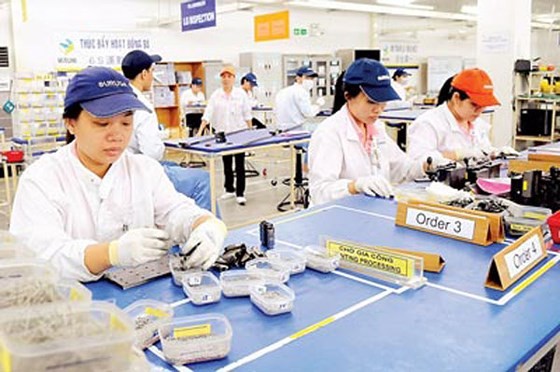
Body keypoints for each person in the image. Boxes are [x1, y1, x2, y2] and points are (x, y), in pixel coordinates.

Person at [9, 66, 227, 281]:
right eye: (102, 123)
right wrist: (111, 254)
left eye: (126, 122)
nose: (117, 135)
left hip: (140, 299)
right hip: (69, 304)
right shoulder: (42, 179)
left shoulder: (144, 169)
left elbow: (175, 212)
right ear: (70, 124)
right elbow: (41, 256)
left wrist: (207, 225)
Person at [308, 58, 435, 206]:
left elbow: (402, 169)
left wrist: (427, 165)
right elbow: (320, 192)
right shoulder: (330, 132)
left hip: (371, 210)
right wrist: (354, 186)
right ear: (348, 96)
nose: (379, 109)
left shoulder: (377, 129)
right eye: (371, 101)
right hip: (337, 217)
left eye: (383, 101)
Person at [121, 50, 214, 213]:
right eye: (152, 71)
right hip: (139, 172)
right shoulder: (143, 106)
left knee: (175, 165)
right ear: (144, 74)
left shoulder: (118, 98)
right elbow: (152, 153)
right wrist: (161, 142)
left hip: (122, 166)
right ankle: (207, 235)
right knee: (203, 180)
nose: (153, 75)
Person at [407, 68, 517, 162]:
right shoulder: (429, 123)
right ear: (456, 98)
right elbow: (418, 161)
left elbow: (482, 152)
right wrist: (457, 155)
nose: (479, 111)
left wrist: (494, 153)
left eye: (484, 105)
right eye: (474, 104)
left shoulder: (476, 124)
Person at [199, 65, 252, 205]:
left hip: (240, 133)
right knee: (226, 163)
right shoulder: (216, 95)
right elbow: (208, 113)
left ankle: (240, 193)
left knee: (240, 164)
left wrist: (251, 132)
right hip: (223, 133)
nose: (226, 79)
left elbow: (247, 114)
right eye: (223, 76)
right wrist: (199, 131)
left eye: (229, 76)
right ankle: (229, 189)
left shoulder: (241, 95)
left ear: (234, 78)